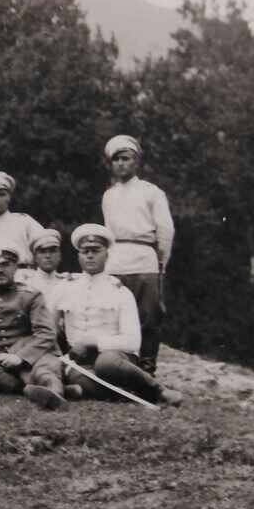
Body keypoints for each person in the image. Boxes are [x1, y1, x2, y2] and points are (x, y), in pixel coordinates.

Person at [57, 223, 182, 406]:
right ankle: (124, 393)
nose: (90, 255)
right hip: (80, 361)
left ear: (107, 253)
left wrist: (92, 342)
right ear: (78, 255)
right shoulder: (64, 287)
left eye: (96, 250)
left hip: (116, 358)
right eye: (85, 251)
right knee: (79, 377)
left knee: (105, 364)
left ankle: (158, 391)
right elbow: (51, 327)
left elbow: (132, 342)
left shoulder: (120, 291)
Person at [100, 135, 175, 375]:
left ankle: (147, 366)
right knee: (115, 315)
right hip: (115, 260)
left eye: (126, 158)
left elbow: (166, 230)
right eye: (116, 159)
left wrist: (161, 262)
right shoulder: (109, 196)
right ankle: (121, 365)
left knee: (148, 316)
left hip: (144, 259)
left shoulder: (151, 192)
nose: (121, 164)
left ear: (136, 162)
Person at [0, 241, 67, 410]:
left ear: (16, 267)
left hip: (36, 355)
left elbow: (46, 334)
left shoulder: (31, 296)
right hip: (5, 362)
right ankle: (33, 390)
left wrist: (20, 357)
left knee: (44, 371)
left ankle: (55, 395)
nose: (0, 270)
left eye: (6, 265)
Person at [24, 229, 71, 314]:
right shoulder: (27, 284)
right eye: (42, 252)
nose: (48, 256)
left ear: (59, 255)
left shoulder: (68, 282)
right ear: (35, 257)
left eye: (52, 251)